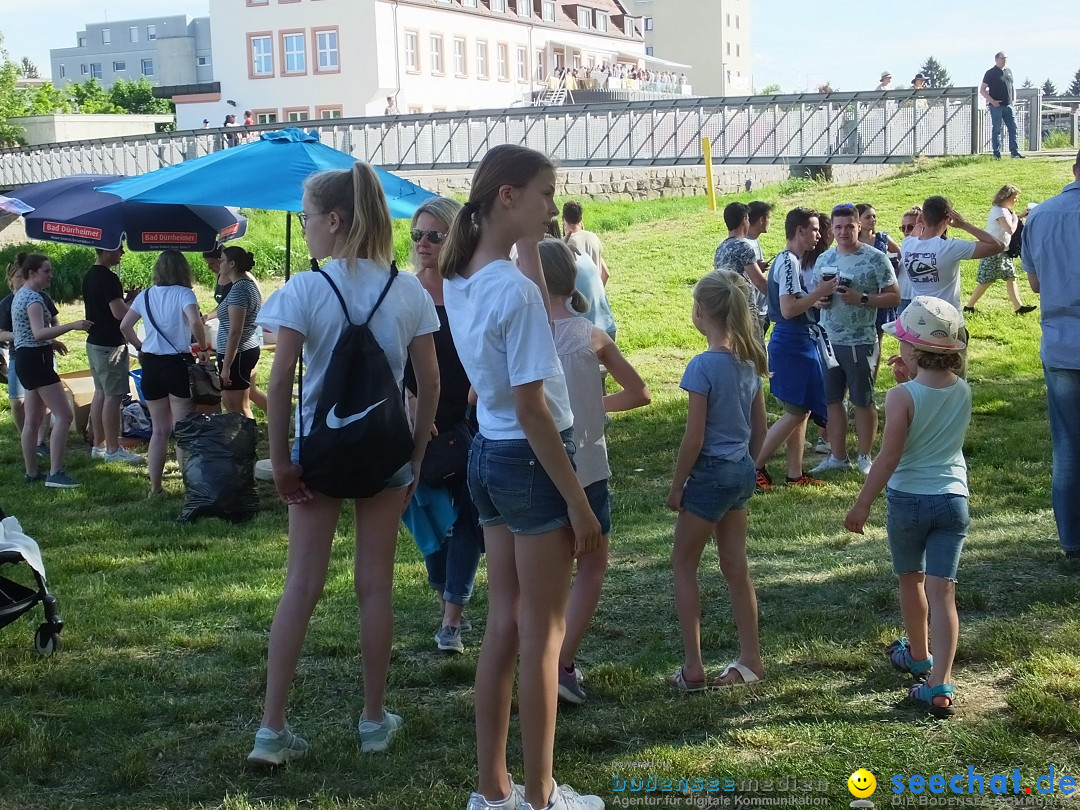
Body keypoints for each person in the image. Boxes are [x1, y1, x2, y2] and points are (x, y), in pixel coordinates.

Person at [249, 162, 440, 765]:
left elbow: (279, 384)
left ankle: (272, 730)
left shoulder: (304, 289)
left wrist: (280, 461)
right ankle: (373, 719)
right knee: (374, 587)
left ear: (333, 221)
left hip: (317, 458)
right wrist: (414, 455)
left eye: (306, 218)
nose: (303, 228)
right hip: (385, 455)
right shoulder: (406, 289)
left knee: (300, 587)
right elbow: (428, 382)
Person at [439, 144, 603, 810]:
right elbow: (536, 410)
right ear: (507, 195)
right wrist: (580, 506)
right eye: (544, 193)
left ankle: (493, 790)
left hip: (487, 457)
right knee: (543, 635)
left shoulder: (463, 272)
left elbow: (522, 300)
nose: (550, 206)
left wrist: (530, 246)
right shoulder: (509, 288)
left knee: (505, 625)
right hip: (531, 463)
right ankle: (540, 798)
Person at [845, 297, 972, 718]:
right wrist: (911, 379)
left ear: (915, 351)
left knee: (910, 582)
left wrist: (862, 503)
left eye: (902, 343)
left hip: (908, 502)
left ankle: (918, 656)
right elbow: (934, 414)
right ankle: (941, 685)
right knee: (944, 593)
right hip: (953, 501)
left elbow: (889, 455)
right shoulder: (964, 389)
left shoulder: (901, 395)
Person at [538, 237, 650, 706]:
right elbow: (640, 393)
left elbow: (480, 400)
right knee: (592, 564)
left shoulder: (528, 336)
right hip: (587, 465)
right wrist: (591, 407)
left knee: (542, 574)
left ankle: (539, 662)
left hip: (537, 464)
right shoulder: (591, 335)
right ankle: (560, 663)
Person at [667, 270, 768, 692]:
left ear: (701, 312)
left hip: (709, 474)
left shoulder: (702, 366)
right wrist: (749, 462)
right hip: (740, 471)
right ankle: (751, 659)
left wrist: (677, 485)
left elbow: (694, 436)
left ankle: (693, 668)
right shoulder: (748, 364)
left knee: (684, 565)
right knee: (735, 567)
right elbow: (760, 426)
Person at [402, 195, 484, 655]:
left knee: (468, 518)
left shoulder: (469, 289)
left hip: (471, 419)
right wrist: (410, 399)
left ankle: (451, 618)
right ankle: (447, 596)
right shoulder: (405, 292)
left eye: (435, 234)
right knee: (430, 520)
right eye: (418, 235)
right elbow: (389, 359)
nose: (425, 243)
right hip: (419, 426)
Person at [809, 204, 899, 476]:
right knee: (832, 400)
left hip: (860, 339)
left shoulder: (874, 258)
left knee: (863, 400)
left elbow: (894, 295)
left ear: (859, 226)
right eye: (838, 227)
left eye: (849, 226)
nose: (844, 232)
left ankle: (864, 456)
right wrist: (821, 300)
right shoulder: (824, 259)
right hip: (828, 340)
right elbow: (816, 291)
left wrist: (862, 298)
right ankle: (837, 456)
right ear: (831, 229)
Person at [1021, 149, 1080, 559]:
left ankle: (1071, 540)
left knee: (1068, 446)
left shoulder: (1040, 215)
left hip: (1060, 341)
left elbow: (1037, 283)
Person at [754, 208, 838, 490]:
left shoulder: (788, 260)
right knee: (795, 410)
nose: (819, 235)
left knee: (801, 410)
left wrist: (814, 301)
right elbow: (789, 309)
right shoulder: (789, 261)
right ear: (799, 230)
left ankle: (794, 473)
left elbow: (792, 300)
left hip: (798, 339)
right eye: (814, 229)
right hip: (792, 341)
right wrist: (819, 293)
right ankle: (754, 467)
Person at [120, 251, 209, 497]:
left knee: (159, 430)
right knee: (182, 429)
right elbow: (195, 322)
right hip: (175, 363)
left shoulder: (146, 295)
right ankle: (191, 488)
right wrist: (201, 348)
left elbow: (124, 326)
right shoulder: (184, 293)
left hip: (150, 363)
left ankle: (155, 488)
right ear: (183, 270)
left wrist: (140, 347)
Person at [13, 254, 92, 488]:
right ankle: (56, 473)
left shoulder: (21, 295)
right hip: (37, 360)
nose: (51, 275)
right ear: (32, 273)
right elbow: (38, 333)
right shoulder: (34, 300)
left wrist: (52, 343)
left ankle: (32, 472)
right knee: (65, 415)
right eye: (46, 271)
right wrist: (73, 325)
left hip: (26, 359)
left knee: (32, 420)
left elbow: (27, 333)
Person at [83, 246, 143, 465]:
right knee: (114, 396)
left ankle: (98, 445)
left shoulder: (90, 275)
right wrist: (135, 302)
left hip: (94, 342)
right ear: (107, 250)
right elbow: (119, 313)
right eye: (119, 250)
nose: (122, 254)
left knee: (100, 393)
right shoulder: (109, 278)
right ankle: (113, 449)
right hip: (110, 345)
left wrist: (127, 298)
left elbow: (106, 306)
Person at [900, 196, 1002, 325]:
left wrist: (921, 222)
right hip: (948, 321)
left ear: (923, 218)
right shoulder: (950, 248)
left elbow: (915, 234)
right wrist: (964, 225)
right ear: (948, 218)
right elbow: (997, 246)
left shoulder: (907, 245)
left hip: (918, 321)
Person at [963, 185, 1036, 315]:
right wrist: (1015, 217)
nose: (1016, 200)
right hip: (993, 252)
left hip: (1001, 251)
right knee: (986, 281)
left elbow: (1008, 223)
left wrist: (1019, 216)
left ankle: (1018, 308)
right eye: (1014, 197)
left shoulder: (1002, 210)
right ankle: (969, 306)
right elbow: (1010, 229)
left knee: (1010, 277)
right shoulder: (1000, 212)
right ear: (1006, 197)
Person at [215, 246, 265, 418]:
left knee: (236, 406)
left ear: (232, 264)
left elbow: (235, 331)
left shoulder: (239, 290)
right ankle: (245, 440)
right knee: (236, 404)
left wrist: (226, 367)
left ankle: (245, 441)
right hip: (242, 350)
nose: (218, 264)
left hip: (238, 353)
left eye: (221, 260)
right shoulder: (245, 285)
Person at [713, 202, 768, 332]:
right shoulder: (743, 247)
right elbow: (760, 282)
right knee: (755, 349)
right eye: (748, 218)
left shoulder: (720, 248)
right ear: (745, 220)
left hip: (727, 310)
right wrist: (781, 298)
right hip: (745, 310)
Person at [980, 52, 1024, 160]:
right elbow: (982, 89)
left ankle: (1014, 152)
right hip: (996, 106)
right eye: (1002, 58)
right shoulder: (990, 73)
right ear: (996, 59)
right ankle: (996, 153)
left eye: (1006, 58)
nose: (1005, 60)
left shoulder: (1008, 71)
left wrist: (1013, 100)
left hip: (1009, 105)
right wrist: (992, 101)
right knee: (996, 129)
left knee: (1013, 128)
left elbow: (1011, 86)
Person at [562, 200, 610, 286]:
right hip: (596, 295)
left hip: (577, 296)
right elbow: (605, 274)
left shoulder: (565, 245)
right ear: (581, 219)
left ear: (564, 219)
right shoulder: (593, 237)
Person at [746, 201, 774, 332]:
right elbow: (757, 280)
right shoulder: (746, 244)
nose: (770, 221)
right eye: (769, 217)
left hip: (761, 307)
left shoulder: (754, 240)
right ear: (762, 219)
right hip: (753, 310)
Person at [896, 207, 922, 314]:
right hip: (902, 297)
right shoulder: (906, 245)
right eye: (903, 228)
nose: (906, 231)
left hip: (918, 299)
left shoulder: (930, 247)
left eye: (910, 227)